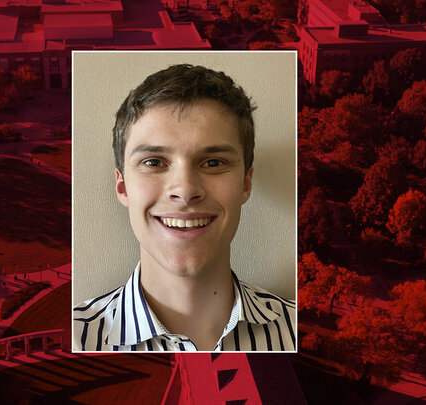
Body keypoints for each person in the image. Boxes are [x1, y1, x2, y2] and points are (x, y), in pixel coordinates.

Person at [73, 64, 295, 352]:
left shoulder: (304, 332)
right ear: (123, 186)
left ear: (245, 184)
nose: (185, 190)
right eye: (153, 162)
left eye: (213, 162)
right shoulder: (73, 339)